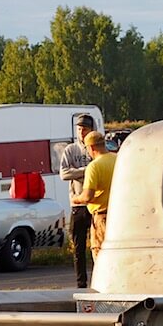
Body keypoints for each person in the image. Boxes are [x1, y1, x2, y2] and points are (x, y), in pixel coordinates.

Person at [59, 114, 95, 287]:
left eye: (85, 129)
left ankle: (99, 280)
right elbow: (64, 173)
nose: (81, 133)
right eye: (79, 129)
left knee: (98, 245)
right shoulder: (71, 150)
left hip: (96, 204)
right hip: (78, 203)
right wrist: (86, 170)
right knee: (78, 247)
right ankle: (81, 282)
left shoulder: (96, 149)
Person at [71, 130, 117, 262]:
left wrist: (76, 198)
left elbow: (87, 197)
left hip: (102, 216)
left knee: (101, 256)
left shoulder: (94, 167)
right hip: (119, 216)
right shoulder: (117, 159)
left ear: (91, 147)